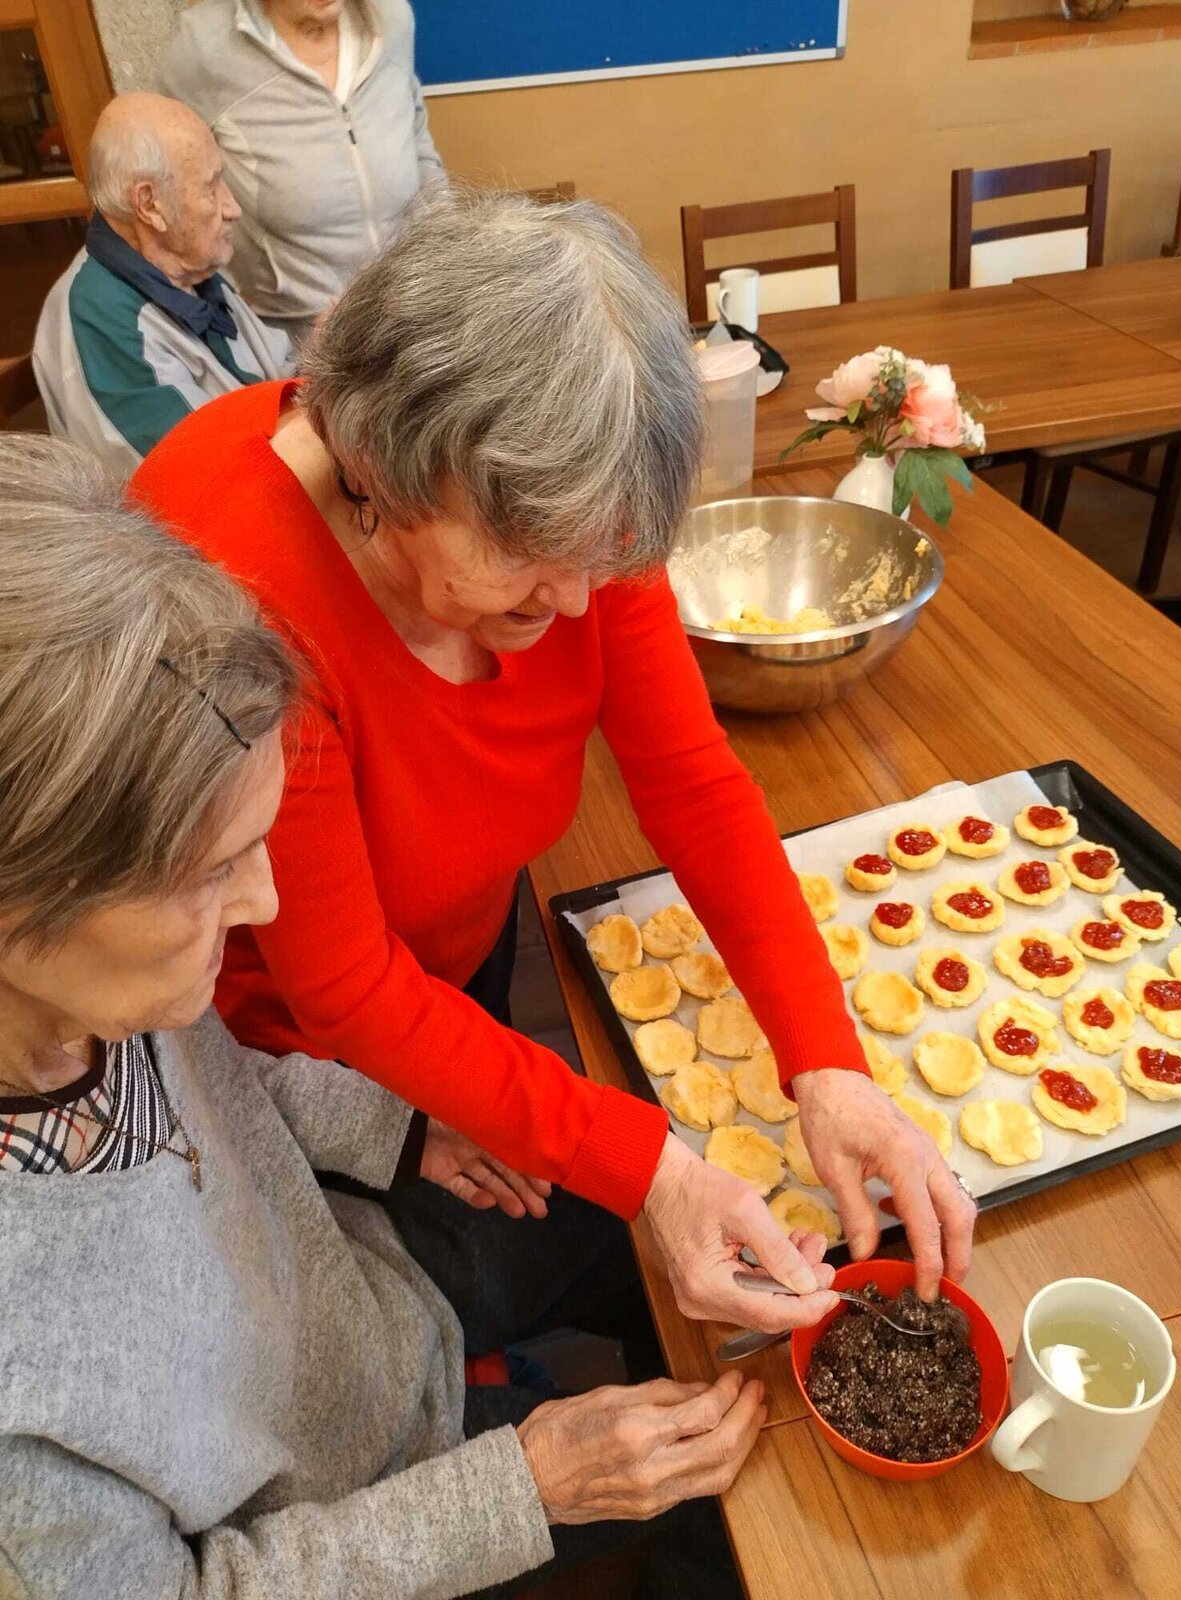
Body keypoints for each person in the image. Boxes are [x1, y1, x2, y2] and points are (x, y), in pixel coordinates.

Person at [133, 189, 976, 1340]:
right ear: (386, 465)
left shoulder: (571, 505)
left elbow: (692, 785)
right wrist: (652, 1169)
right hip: (278, 1050)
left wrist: (827, 1061)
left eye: (605, 556)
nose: (579, 601)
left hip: (451, 958)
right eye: (530, 559)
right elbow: (347, 987)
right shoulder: (235, 590)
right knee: (455, 1293)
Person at [0, 436, 785, 1600]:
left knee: (678, 1215)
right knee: (747, 1503)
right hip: (354, 1505)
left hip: (366, 1315)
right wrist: (527, 1487)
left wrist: (402, 1127)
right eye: (211, 873)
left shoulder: (96, 993)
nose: (265, 903)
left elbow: (228, 1087)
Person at [32, 94, 293, 477]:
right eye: (211, 187)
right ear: (149, 204)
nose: (232, 207)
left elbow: (278, 368)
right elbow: (199, 481)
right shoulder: (105, 321)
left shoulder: (186, 269)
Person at [159, 0, 445, 341]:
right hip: (293, 336)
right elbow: (175, 183)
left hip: (408, 312)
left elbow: (417, 138)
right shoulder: (204, 50)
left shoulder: (389, 19)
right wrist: (227, 297)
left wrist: (445, 248)